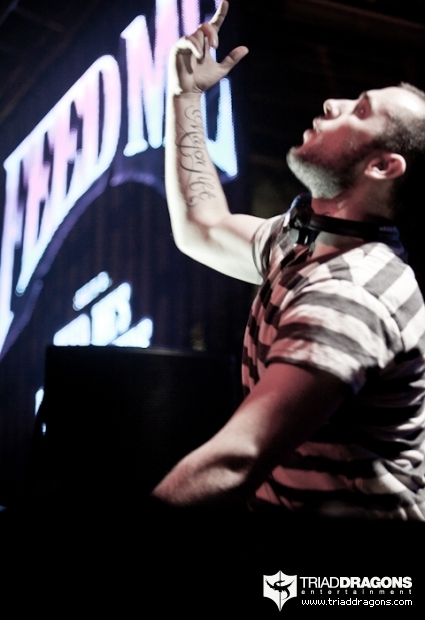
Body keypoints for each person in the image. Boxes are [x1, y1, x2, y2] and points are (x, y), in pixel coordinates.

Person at [152, 0, 425, 519]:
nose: (332, 103)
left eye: (360, 111)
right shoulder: (305, 237)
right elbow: (204, 228)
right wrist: (185, 95)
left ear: (383, 166)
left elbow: (237, 458)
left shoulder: (352, 293)